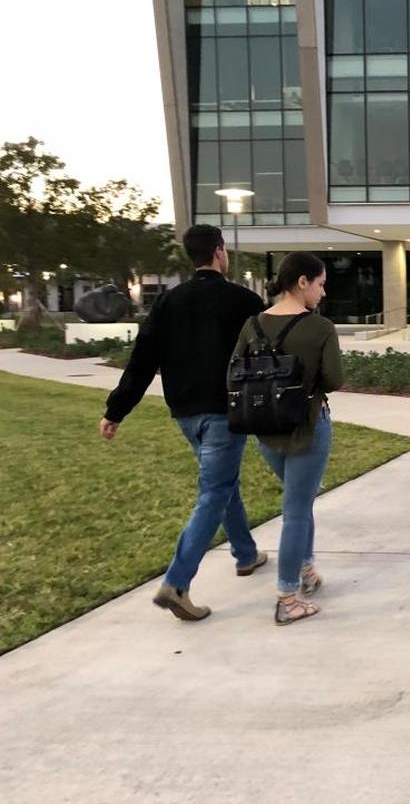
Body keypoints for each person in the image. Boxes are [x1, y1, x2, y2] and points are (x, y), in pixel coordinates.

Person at [100, 224, 267, 621]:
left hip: (185, 414)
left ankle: (245, 555)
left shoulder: (169, 302)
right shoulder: (243, 300)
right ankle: (176, 584)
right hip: (225, 412)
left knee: (222, 483)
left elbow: (142, 361)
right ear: (220, 252)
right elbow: (267, 352)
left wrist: (115, 411)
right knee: (216, 490)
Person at [232, 252, 343, 625]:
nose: (323, 292)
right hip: (308, 426)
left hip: (266, 428)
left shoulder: (253, 325)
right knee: (296, 509)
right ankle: (286, 598)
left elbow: (233, 375)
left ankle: (307, 569)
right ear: (302, 282)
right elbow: (333, 381)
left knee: (300, 501)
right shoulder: (320, 327)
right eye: (321, 283)